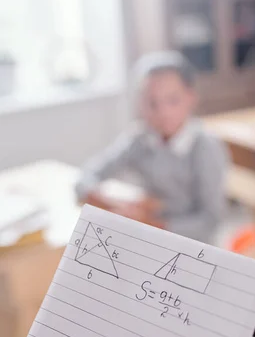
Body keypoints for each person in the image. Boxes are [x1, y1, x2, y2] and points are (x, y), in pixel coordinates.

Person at [75, 51, 229, 243]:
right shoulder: (139, 139)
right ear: (140, 103)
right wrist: (110, 201)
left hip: (192, 246)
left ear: (191, 98)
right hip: (149, 238)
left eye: (173, 100)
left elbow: (210, 221)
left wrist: (153, 225)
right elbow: (88, 175)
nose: (163, 112)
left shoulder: (205, 147)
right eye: (152, 103)